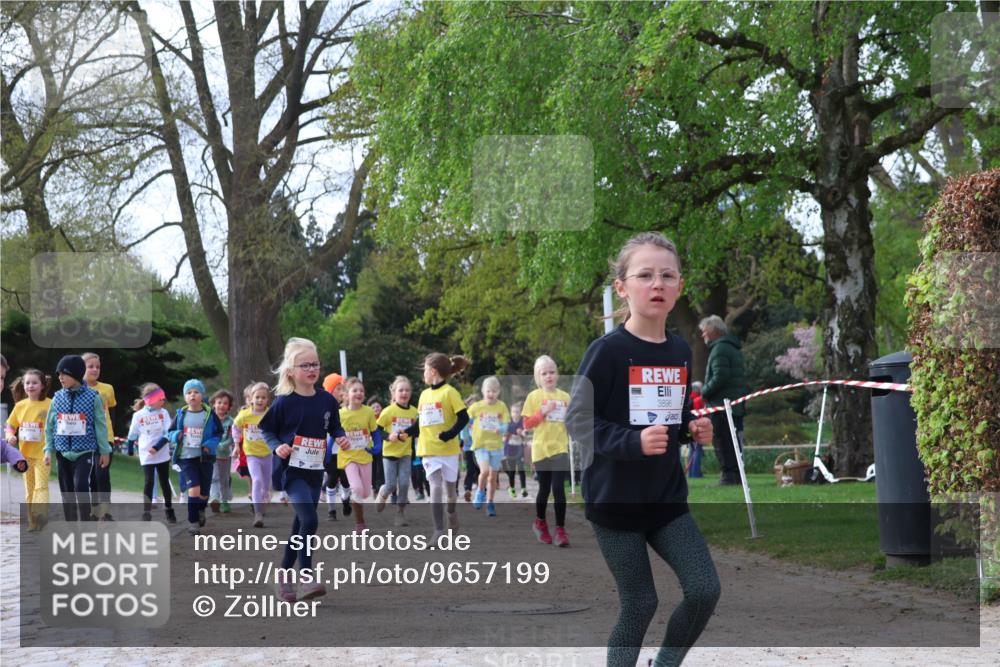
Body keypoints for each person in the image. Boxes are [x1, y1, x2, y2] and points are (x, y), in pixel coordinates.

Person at [566, 231, 720, 667]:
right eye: (646, 275)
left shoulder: (678, 349)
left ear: (679, 288)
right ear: (623, 287)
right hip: (614, 503)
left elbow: (667, 417)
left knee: (705, 589)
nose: (657, 284)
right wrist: (632, 442)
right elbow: (578, 420)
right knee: (640, 603)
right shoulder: (607, 351)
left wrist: (692, 429)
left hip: (665, 500)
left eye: (667, 276)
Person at [259, 337, 347, 602]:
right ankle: (306, 576)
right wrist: (277, 447)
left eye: (315, 364)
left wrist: (340, 436)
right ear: (291, 371)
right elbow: (267, 429)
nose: (311, 370)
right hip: (292, 473)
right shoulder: (284, 402)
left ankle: (284, 575)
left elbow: (334, 426)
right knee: (309, 520)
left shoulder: (326, 401)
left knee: (300, 524)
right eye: (305, 365)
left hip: (314, 472)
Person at [405, 353, 469, 543]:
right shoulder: (424, 395)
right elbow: (419, 423)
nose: (423, 373)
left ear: (433, 372)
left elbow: (464, 417)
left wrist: (450, 434)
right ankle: (439, 530)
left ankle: (451, 514)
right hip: (428, 449)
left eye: (424, 369)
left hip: (448, 451)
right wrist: (406, 432)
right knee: (435, 486)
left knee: (450, 494)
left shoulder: (450, 392)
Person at [43, 355, 110, 522]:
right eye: (58, 374)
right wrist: (48, 450)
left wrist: (104, 451)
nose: (60, 377)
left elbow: (101, 426)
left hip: (84, 451)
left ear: (75, 374)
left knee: (80, 486)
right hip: (62, 452)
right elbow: (50, 426)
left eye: (64, 374)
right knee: (67, 491)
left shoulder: (93, 397)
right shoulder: (57, 397)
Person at [522, 355, 572, 547]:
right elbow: (527, 424)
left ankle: (560, 529)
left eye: (552, 372)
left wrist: (569, 417)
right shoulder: (534, 397)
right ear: (538, 377)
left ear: (557, 374)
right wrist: (543, 412)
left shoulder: (565, 397)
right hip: (541, 449)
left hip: (560, 448)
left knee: (558, 488)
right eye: (544, 373)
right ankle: (540, 522)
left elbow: (571, 423)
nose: (549, 376)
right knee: (544, 489)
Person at [167, 379, 223, 535]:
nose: (193, 395)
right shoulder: (180, 414)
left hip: (205, 458)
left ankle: (201, 510)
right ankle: (193, 523)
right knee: (194, 489)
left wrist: (209, 445)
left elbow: (218, 433)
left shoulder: (210, 414)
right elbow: (169, 432)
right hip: (186, 458)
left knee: (204, 492)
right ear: (185, 397)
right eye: (189, 392)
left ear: (202, 395)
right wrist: (175, 435)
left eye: (196, 392)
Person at [699, 315, 749, 486]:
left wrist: (704, 392)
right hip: (735, 405)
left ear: (714, 331)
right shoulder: (732, 348)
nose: (703, 335)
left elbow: (720, 376)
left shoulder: (719, 349)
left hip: (721, 405)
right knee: (733, 442)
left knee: (722, 441)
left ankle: (728, 476)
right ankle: (735, 476)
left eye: (705, 332)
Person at [5, 369, 52, 530]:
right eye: (27, 383)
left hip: (44, 453)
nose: (30, 386)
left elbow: (57, 424)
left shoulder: (50, 404)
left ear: (42, 385)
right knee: (30, 489)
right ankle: (32, 521)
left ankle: (41, 515)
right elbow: (10, 425)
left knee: (41, 486)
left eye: (34, 383)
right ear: (23, 385)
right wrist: (10, 435)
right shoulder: (20, 406)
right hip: (24, 456)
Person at [126, 383, 176, 523]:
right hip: (146, 454)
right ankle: (146, 512)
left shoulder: (164, 413)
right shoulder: (138, 415)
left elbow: (168, 433)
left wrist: (158, 447)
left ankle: (169, 509)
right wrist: (130, 447)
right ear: (151, 400)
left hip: (162, 453)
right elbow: (133, 433)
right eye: (161, 398)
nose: (163, 401)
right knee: (148, 482)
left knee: (164, 481)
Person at [375, 376, 418, 526]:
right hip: (389, 454)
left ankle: (400, 513)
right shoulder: (388, 411)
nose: (404, 393)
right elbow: (376, 431)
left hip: (406, 453)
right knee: (391, 485)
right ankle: (382, 493)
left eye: (407, 390)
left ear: (410, 393)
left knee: (405, 483)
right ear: (394, 393)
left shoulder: (414, 412)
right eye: (401, 390)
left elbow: (417, 430)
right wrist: (388, 436)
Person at [337, 377, 378, 533]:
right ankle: (360, 524)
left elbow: (374, 432)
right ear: (346, 395)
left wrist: (377, 445)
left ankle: (347, 495)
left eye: (361, 390)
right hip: (348, 457)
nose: (359, 393)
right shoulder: (340, 414)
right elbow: (333, 433)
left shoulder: (368, 412)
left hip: (365, 455)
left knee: (366, 492)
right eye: (355, 390)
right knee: (357, 488)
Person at [82, 352, 118, 520]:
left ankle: (106, 511)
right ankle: (94, 510)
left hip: (105, 437)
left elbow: (111, 408)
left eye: (97, 367)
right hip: (85, 438)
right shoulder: (77, 388)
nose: (95, 369)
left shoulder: (107, 389)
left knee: (102, 474)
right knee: (92, 478)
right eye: (90, 366)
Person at [469, 377, 510, 517]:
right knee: (485, 471)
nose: (491, 394)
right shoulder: (476, 407)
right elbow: (465, 419)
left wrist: (501, 429)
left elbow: (505, 423)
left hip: (496, 446)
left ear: (498, 392)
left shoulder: (502, 406)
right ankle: (480, 492)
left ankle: (490, 502)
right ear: (483, 391)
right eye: (488, 391)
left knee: (493, 477)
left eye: (494, 391)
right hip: (481, 445)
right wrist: (466, 433)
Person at [233, 382, 272, 527]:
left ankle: (263, 501)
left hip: (267, 454)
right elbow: (235, 428)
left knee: (265, 487)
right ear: (251, 399)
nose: (260, 400)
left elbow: (277, 429)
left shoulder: (270, 414)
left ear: (267, 399)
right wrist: (237, 445)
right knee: (257, 481)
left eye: (263, 397)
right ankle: (257, 514)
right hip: (252, 455)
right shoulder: (245, 415)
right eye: (257, 397)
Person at [322, 373, 352, 520]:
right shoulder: (322, 408)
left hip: (345, 452)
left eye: (343, 389)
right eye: (338, 388)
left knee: (346, 481)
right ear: (330, 390)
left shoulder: (346, 410)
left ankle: (346, 499)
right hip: (329, 453)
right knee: (332, 479)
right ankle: (331, 510)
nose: (341, 392)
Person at [209, 389, 236, 513]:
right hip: (211, 454)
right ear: (214, 404)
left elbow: (232, 438)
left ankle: (224, 501)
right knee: (214, 477)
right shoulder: (209, 419)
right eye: (219, 402)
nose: (221, 405)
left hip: (225, 456)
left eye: (225, 403)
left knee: (224, 479)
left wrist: (220, 445)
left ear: (229, 407)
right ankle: (215, 498)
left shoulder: (231, 422)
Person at [502, 402, 528, 498]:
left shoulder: (522, 422)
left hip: (519, 449)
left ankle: (523, 488)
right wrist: (505, 436)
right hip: (509, 449)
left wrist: (523, 434)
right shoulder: (508, 422)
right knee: (511, 470)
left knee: (521, 469)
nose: (515, 414)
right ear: (511, 412)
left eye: (517, 412)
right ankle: (512, 488)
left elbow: (525, 432)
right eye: (513, 412)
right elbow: (503, 435)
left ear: (520, 412)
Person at [460, 394, 479, 501]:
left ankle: (482, 490)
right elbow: (463, 430)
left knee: (480, 470)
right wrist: (465, 439)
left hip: (480, 447)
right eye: (472, 405)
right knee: (470, 469)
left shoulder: (481, 416)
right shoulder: (467, 416)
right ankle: (467, 489)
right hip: (469, 447)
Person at [686, 381, 705, 478]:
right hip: (697, 427)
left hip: (688, 428)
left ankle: (691, 474)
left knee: (692, 451)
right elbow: (699, 416)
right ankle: (696, 473)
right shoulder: (698, 400)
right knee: (697, 450)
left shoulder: (687, 398)